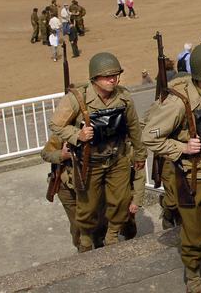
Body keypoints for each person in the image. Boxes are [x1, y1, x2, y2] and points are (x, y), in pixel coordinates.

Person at [143, 42, 201, 293]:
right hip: (190, 174)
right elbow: (149, 136)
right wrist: (182, 148)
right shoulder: (178, 103)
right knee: (193, 233)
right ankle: (194, 276)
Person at [49, 52, 147, 252]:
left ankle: (112, 236)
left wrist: (140, 154)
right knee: (88, 205)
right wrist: (78, 134)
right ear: (94, 78)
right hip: (90, 161)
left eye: (115, 75)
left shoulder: (123, 97)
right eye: (107, 76)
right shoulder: (78, 99)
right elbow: (56, 125)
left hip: (117, 157)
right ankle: (85, 239)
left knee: (120, 200)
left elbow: (134, 127)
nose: (113, 79)